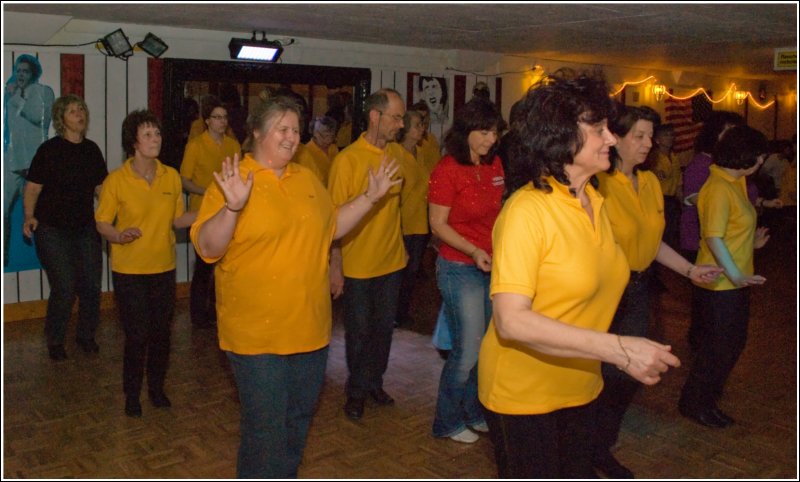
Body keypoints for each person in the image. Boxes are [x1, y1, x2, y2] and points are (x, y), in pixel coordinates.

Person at [478, 70, 680, 479]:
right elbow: (511, 319)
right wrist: (618, 349)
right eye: (599, 128)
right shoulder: (527, 210)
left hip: (582, 387)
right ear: (561, 135)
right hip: (524, 392)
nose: (611, 138)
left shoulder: (595, 200)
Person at [190, 96, 400, 478]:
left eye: (296, 130)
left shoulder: (306, 178)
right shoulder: (235, 179)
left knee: (298, 420)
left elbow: (331, 225)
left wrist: (370, 197)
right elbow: (207, 246)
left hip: (310, 331)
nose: (292, 137)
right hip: (256, 336)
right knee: (265, 430)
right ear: (257, 132)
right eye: (282, 129)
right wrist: (233, 207)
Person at [593, 104, 722, 478]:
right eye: (640, 136)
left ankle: (599, 449)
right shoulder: (599, 185)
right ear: (614, 138)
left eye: (651, 136)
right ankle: (585, 452)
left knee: (626, 377)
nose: (649, 143)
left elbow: (652, 242)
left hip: (637, 291)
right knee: (597, 376)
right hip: (603, 293)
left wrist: (690, 270)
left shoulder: (648, 182)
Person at [95, 110, 197, 418]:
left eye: (158, 134)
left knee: (162, 334)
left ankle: (156, 389)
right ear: (133, 142)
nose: (156, 139)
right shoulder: (116, 180)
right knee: (137, 335)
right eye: (148, 134)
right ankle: (131, 394)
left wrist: (215, 210)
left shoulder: (171, 177)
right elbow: (102, 222)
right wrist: (118, 235)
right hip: (129, 271)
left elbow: (178, 219)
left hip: (164, 269)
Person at [678, 125, 770, 429]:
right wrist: (735, 274)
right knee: (718, 347)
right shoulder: (717, 187)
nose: (761, 163)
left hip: (734, 278)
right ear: (745, 156)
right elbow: (713, 237)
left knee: (731, 345)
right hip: (719, 281)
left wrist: (750, 243)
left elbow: (730, 231)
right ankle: (694, 403)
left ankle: (705, 400)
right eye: (759, 157)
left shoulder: (735, 182)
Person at [428, 97, 506, 444]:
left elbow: (497, 213)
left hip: (491, 265)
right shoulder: (447, 169)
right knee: (468, 349)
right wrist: (474, 250)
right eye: (484, 132)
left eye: (494, 133)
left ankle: (474, 411)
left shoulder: (495, 165)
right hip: (459, 267)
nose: (490, 140)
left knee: (487, 348)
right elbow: (437, 225)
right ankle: (446, 420)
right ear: (466, 131)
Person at [328, 88, 407, 421]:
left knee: (383, 330)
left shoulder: (398, 156)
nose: (401, 124)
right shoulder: (347, 160)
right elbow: (331, 220)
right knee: (358, 333)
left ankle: (375, 383)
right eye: (396, 117)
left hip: (392, 262)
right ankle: (356, 392)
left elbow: (399, 208)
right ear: (375, 116)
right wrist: (335, 266)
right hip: (358, 264)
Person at [22, 94, 108, 361]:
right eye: (72, 111)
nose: (79, 114)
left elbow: (101, 189)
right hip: (52, 229)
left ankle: (85, 336)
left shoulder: (92, 150)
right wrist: (29, 216)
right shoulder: (49, 150)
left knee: (92, 285)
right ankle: (56, 339)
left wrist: (112, 215)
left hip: (85, 228)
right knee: (65, 286)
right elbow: (33, 188)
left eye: (81, 109)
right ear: (61, 119)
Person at [680, 110, 744, 351]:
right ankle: (702, 345)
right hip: (698, 237)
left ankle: (707, 340)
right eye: (727, 131)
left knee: (710, 295)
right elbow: (693, 198)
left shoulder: (726, 165)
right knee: (705, 295)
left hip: (720, 239)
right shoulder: (702, 163)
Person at [180, 96, 241, 328]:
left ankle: (220, 312)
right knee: (204, 267)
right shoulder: (195, 145)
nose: (222, 121)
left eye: (224, 117)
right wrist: (207, 192)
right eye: (216, 117)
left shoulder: (233, 145)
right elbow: (184, 180)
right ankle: (198, 316)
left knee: (226, 266)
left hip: (228, 212)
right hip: (203, 212)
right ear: (207, 121)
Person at [4, 54, 55, 266]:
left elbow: (39, 118)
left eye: (25, 70)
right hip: (13, 161)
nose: (21, 74)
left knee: (46, 211)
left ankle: (52, 256)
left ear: (33, 72)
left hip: (37, 162)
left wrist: (18, 97)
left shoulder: (43, 91)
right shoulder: (10, 94)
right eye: (18, 70)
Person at [395, 109, 430, 328]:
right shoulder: (396, 154)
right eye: (417, 125)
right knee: (401, 272)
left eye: (422, 125)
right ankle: (394, 314)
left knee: (412, 273)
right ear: (405, 128)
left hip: (420, 223)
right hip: (404, 223)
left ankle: (402, 312)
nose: (421, 129)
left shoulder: (421, 152)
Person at [650, 123, 682, 249]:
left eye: (671, 135)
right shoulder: (654, 158)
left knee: (671, 233)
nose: (669, 138)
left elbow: (678, 180)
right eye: (665, 135)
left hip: (672, 199)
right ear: (657, 140)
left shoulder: (674, 157)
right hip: (658, 199)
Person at [293, 115, 339, 185]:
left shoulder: (334, 148)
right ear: (314, 133)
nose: (328, 141)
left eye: (331, 136)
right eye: (324, 136)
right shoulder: (305, 153)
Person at [410, 101, 442, 175]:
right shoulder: (410, 140)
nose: (424, 121)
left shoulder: (432, 138)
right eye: (421, 117)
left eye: (426, 117)